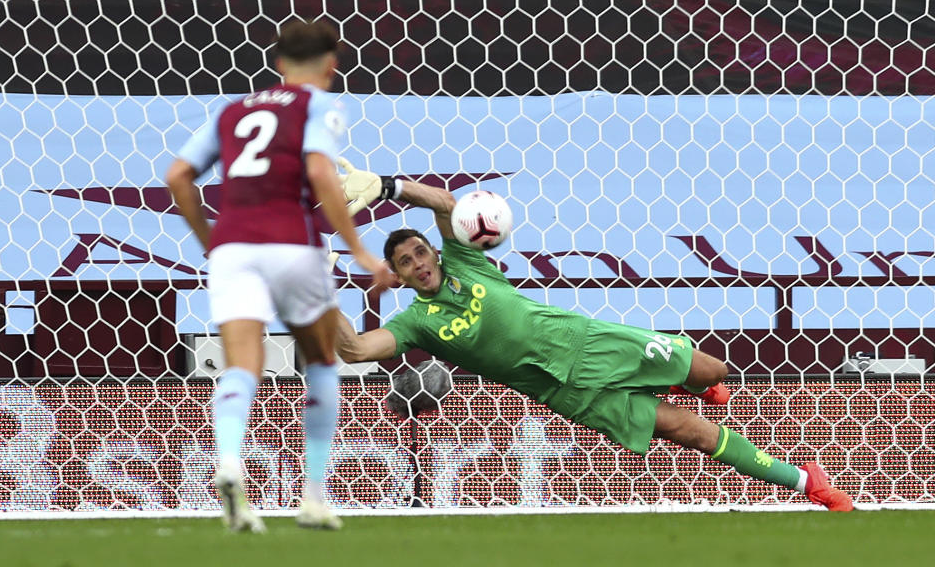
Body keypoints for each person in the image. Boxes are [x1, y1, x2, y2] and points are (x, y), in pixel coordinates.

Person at [333, 163, 854, 511]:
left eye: (421, 253)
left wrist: (387, 187)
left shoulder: (467, 259)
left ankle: (682, 381)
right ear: (398, 276)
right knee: (692, 434)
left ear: (435, 253)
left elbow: (445, 202)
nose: (418, 264)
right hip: (568, 392)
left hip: (588, 342)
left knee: (714, 373)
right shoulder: (415, 323)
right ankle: (805, 483)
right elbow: (354, 349)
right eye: (405, 263)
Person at [165, 19, 393, 532]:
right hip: (293, 244)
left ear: (277, 65)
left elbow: (178, 175)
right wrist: (358, 249)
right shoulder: (318, 106)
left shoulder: (231, 110)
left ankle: (228, 460)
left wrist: (211, 241)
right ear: (332, 66)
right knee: (322, 359)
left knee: (243, 364)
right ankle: (313, 496)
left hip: (233, 249)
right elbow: (318, 171)